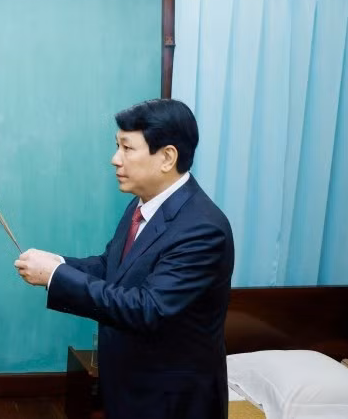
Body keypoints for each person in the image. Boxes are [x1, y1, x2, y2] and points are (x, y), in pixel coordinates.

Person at [14, 98, 234, 419]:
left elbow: (148, 308)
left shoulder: (203, 229)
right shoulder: (141, 205)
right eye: (117, 146)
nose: (115, 159)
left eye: (127, 148)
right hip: (129, 390)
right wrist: (59, 263)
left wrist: (55, 276)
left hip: (171, 403)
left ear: (167, 157)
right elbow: (110, 267)